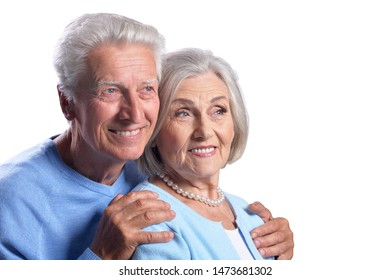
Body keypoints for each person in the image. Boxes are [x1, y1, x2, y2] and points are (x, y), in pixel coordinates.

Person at [0, 13, 293, 260]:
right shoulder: (12, 200)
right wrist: (101, 256)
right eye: (110, 91)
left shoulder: (152, 163)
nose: (135, 114)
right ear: (67, 102)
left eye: (147, 89)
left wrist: (259, 239)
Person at [131, 48, 287, 259]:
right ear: (153, 131)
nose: (204, 131)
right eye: (183, 113)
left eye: (218, 110)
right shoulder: (151, 218)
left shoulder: (250, 213)